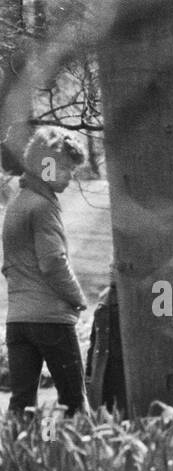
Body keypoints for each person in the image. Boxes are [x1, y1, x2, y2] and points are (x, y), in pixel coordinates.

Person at [2, 126, 89, 416]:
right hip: (50, 320)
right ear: (46, 165)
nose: (69, 175)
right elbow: (52, 262)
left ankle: (22, 456)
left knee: (22, 404)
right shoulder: (43, 207)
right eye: (65, 168)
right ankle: (69, 457)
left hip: (17, 321)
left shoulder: (16, 206)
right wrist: (78, 298)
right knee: (73, 402)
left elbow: (8, 266)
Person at [86, 271, 127, 414]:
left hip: (122, 366)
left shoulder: (134, 295)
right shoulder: (106, 296)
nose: (111, 270)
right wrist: (89, 372)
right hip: (106, 366)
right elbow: (95, 338)